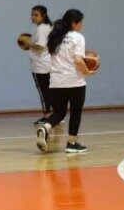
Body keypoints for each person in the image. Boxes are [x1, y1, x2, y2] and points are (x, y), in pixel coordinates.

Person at [36, 9, 94, 155]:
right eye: (80, 22)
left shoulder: (55, 36)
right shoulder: (77, 37)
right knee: (75, 113)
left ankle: (46, 127)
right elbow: (78, 60)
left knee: (60, 112)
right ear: (75, 23)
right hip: (75, 82)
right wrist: (88, 72)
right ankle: (71, 143)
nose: (82, 25)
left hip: (56, 82)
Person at [23, 5, 53, 125]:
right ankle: (56, 115)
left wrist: (28, 44)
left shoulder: (42, 29)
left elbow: (40, 47)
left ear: (43, 16)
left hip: (40, 66)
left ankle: (47, 115)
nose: (33, 17)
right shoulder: (47, 27)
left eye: (36, 15)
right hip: (47, 63)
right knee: (50, 91)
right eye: (32, 14)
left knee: (43, 91)